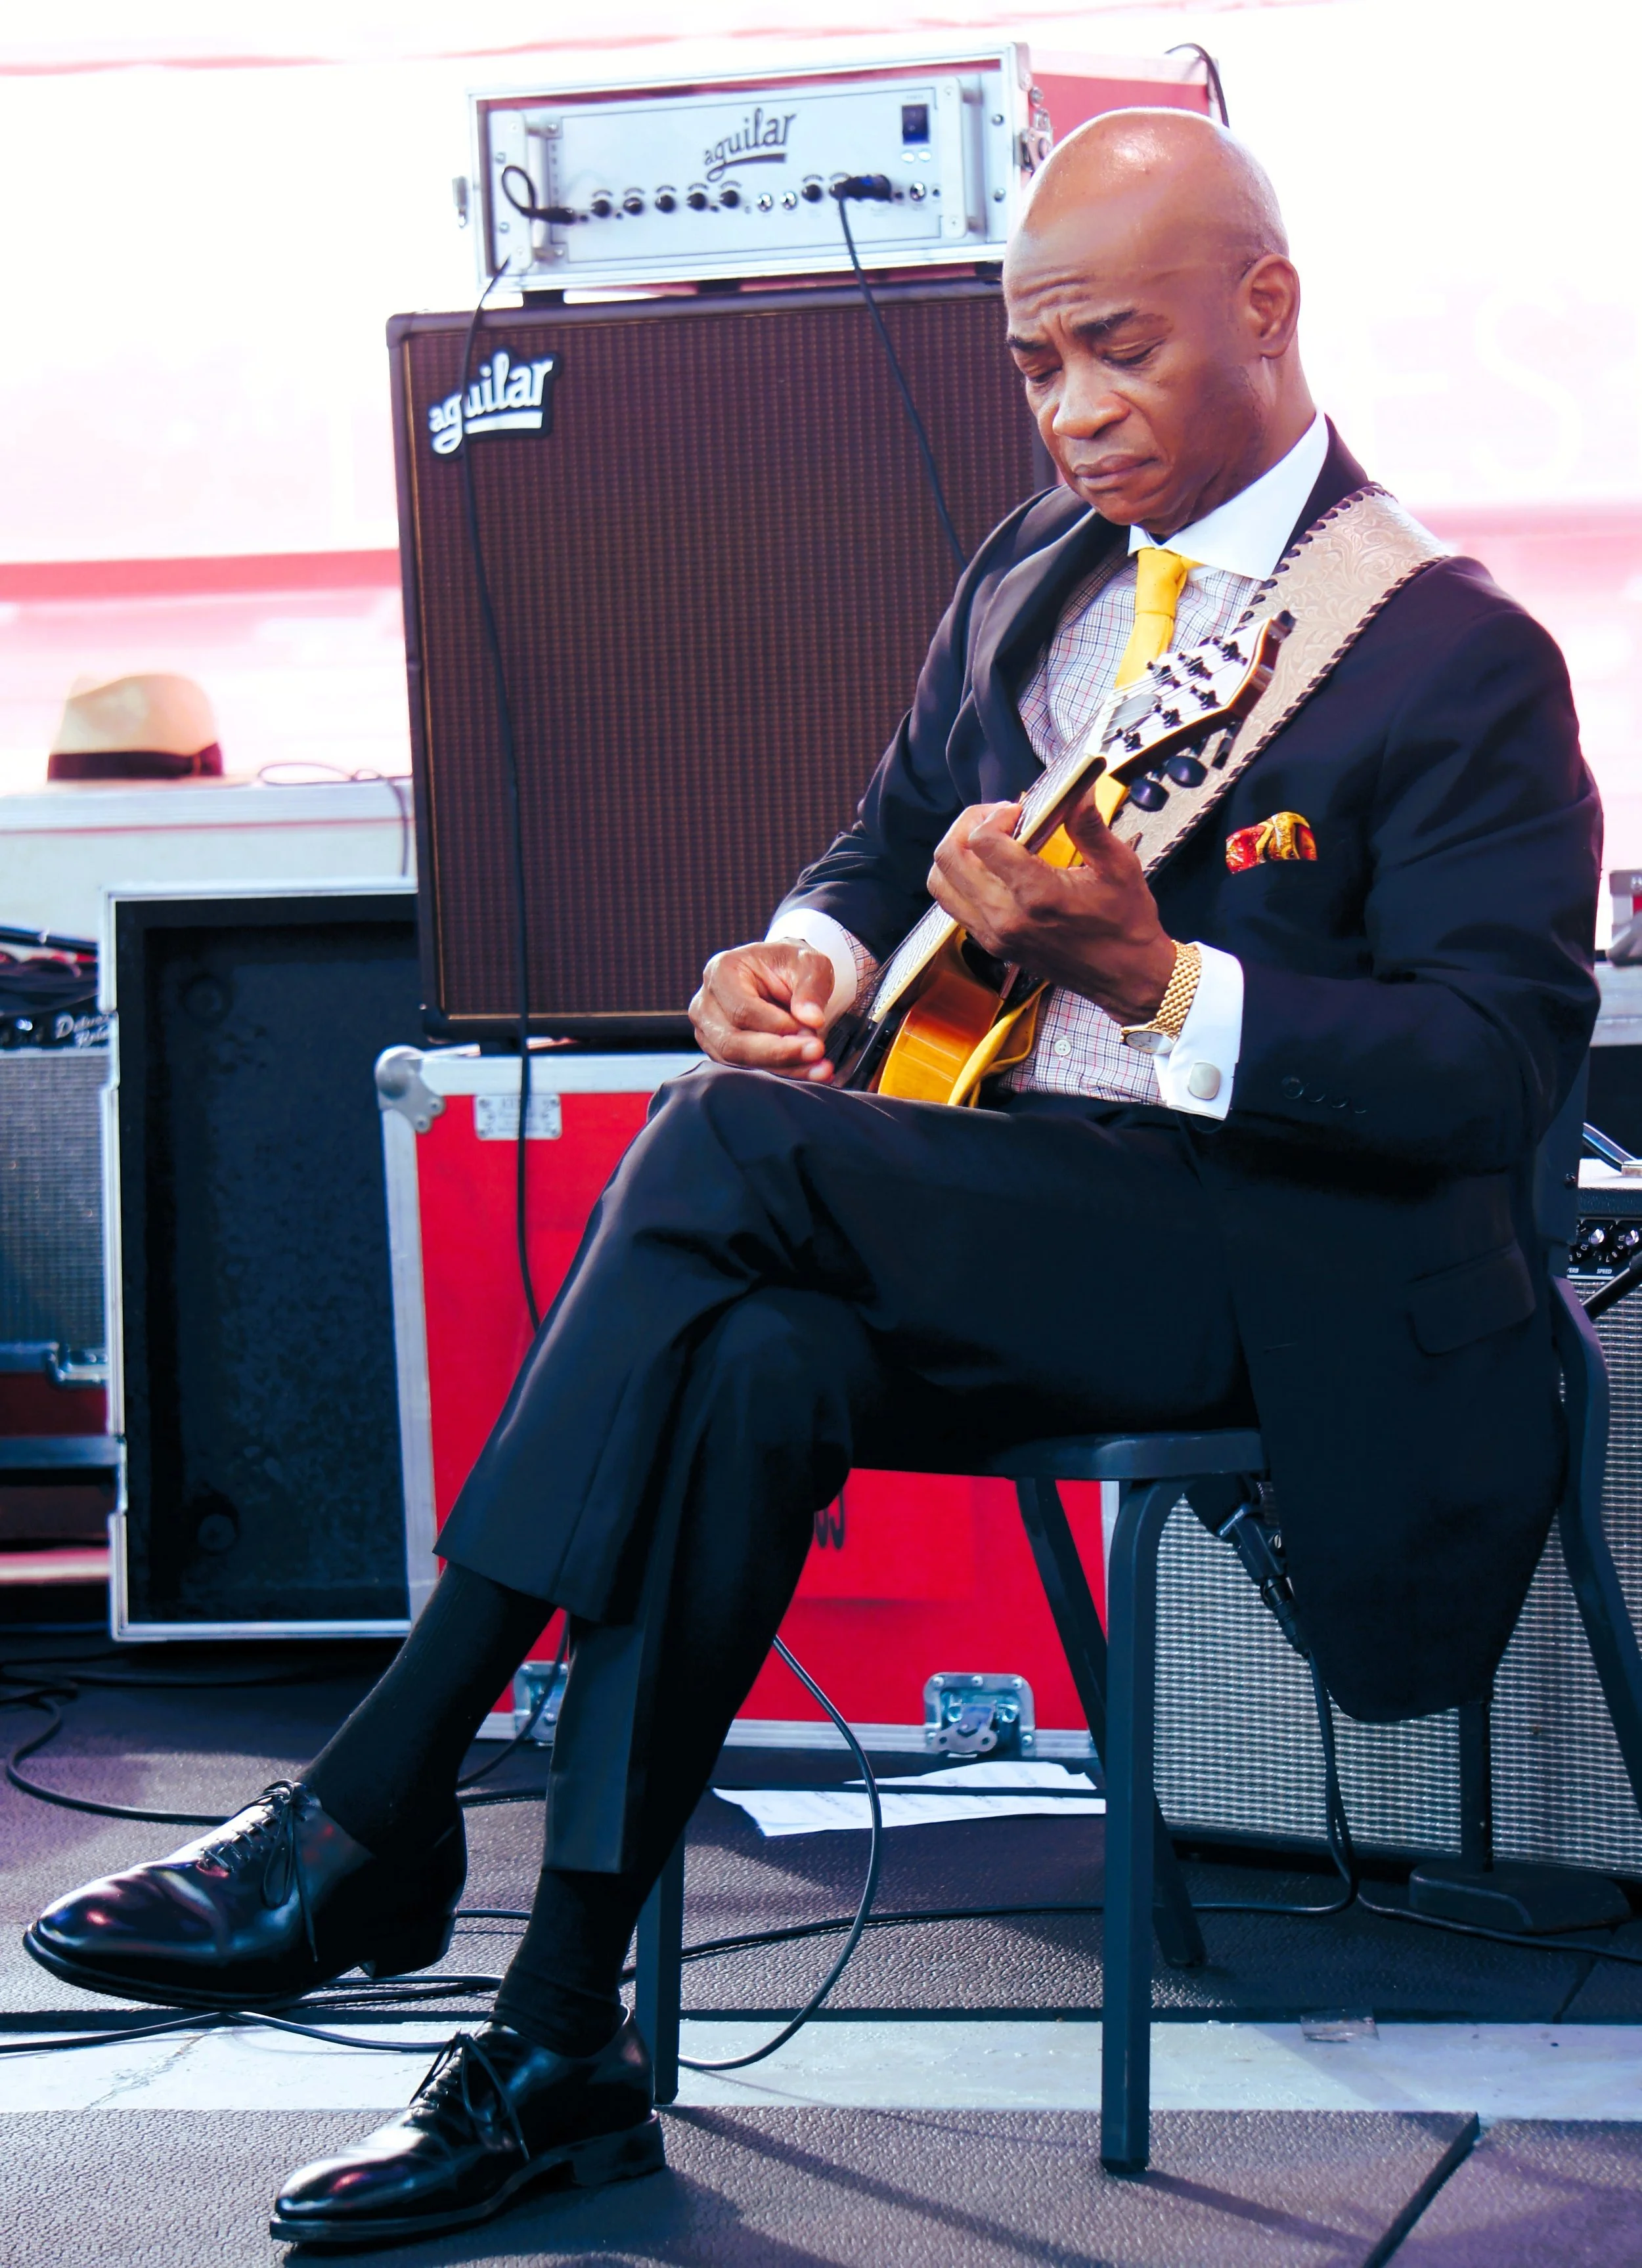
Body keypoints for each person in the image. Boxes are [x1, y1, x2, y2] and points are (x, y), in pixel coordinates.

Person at [28, 109, 1598, 2247]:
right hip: (1035, 1211)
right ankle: (558, 2040)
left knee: (724, 1155)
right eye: (1036, 368)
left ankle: (376, 1800)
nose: (1072, 412)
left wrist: (1161, 977)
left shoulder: (1447, 651)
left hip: (1289, 1274)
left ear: (1267, 305)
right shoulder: (1032, 571)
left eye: (1114, 352)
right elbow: (884, 839)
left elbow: (1491, 1072)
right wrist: (804, 955)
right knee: (752, 1353)